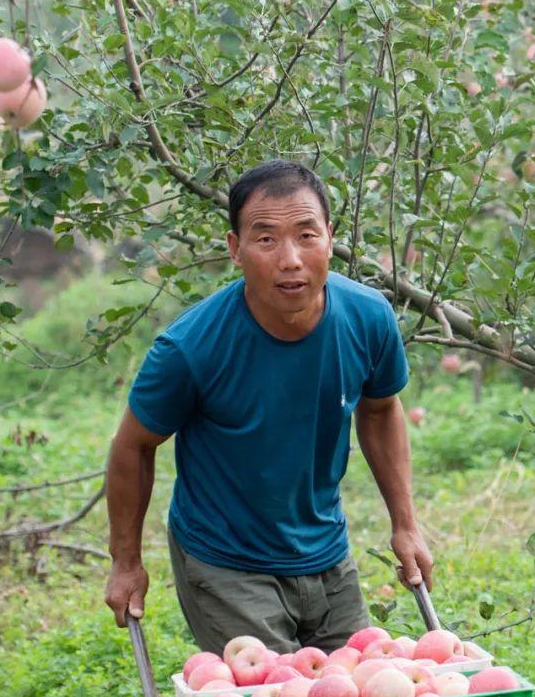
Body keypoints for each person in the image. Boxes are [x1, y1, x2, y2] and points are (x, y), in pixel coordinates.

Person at [104, 158, 434, 652]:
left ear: (329, 236)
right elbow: (133, 447)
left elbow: (381, 409)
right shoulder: (191, 348)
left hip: (325, 548)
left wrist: (405, 523)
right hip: (226, 558)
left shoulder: (368, 318)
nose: (290, 259)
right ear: (235, 249)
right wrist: (126, 560)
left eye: (306, 235)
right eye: (265, 239)